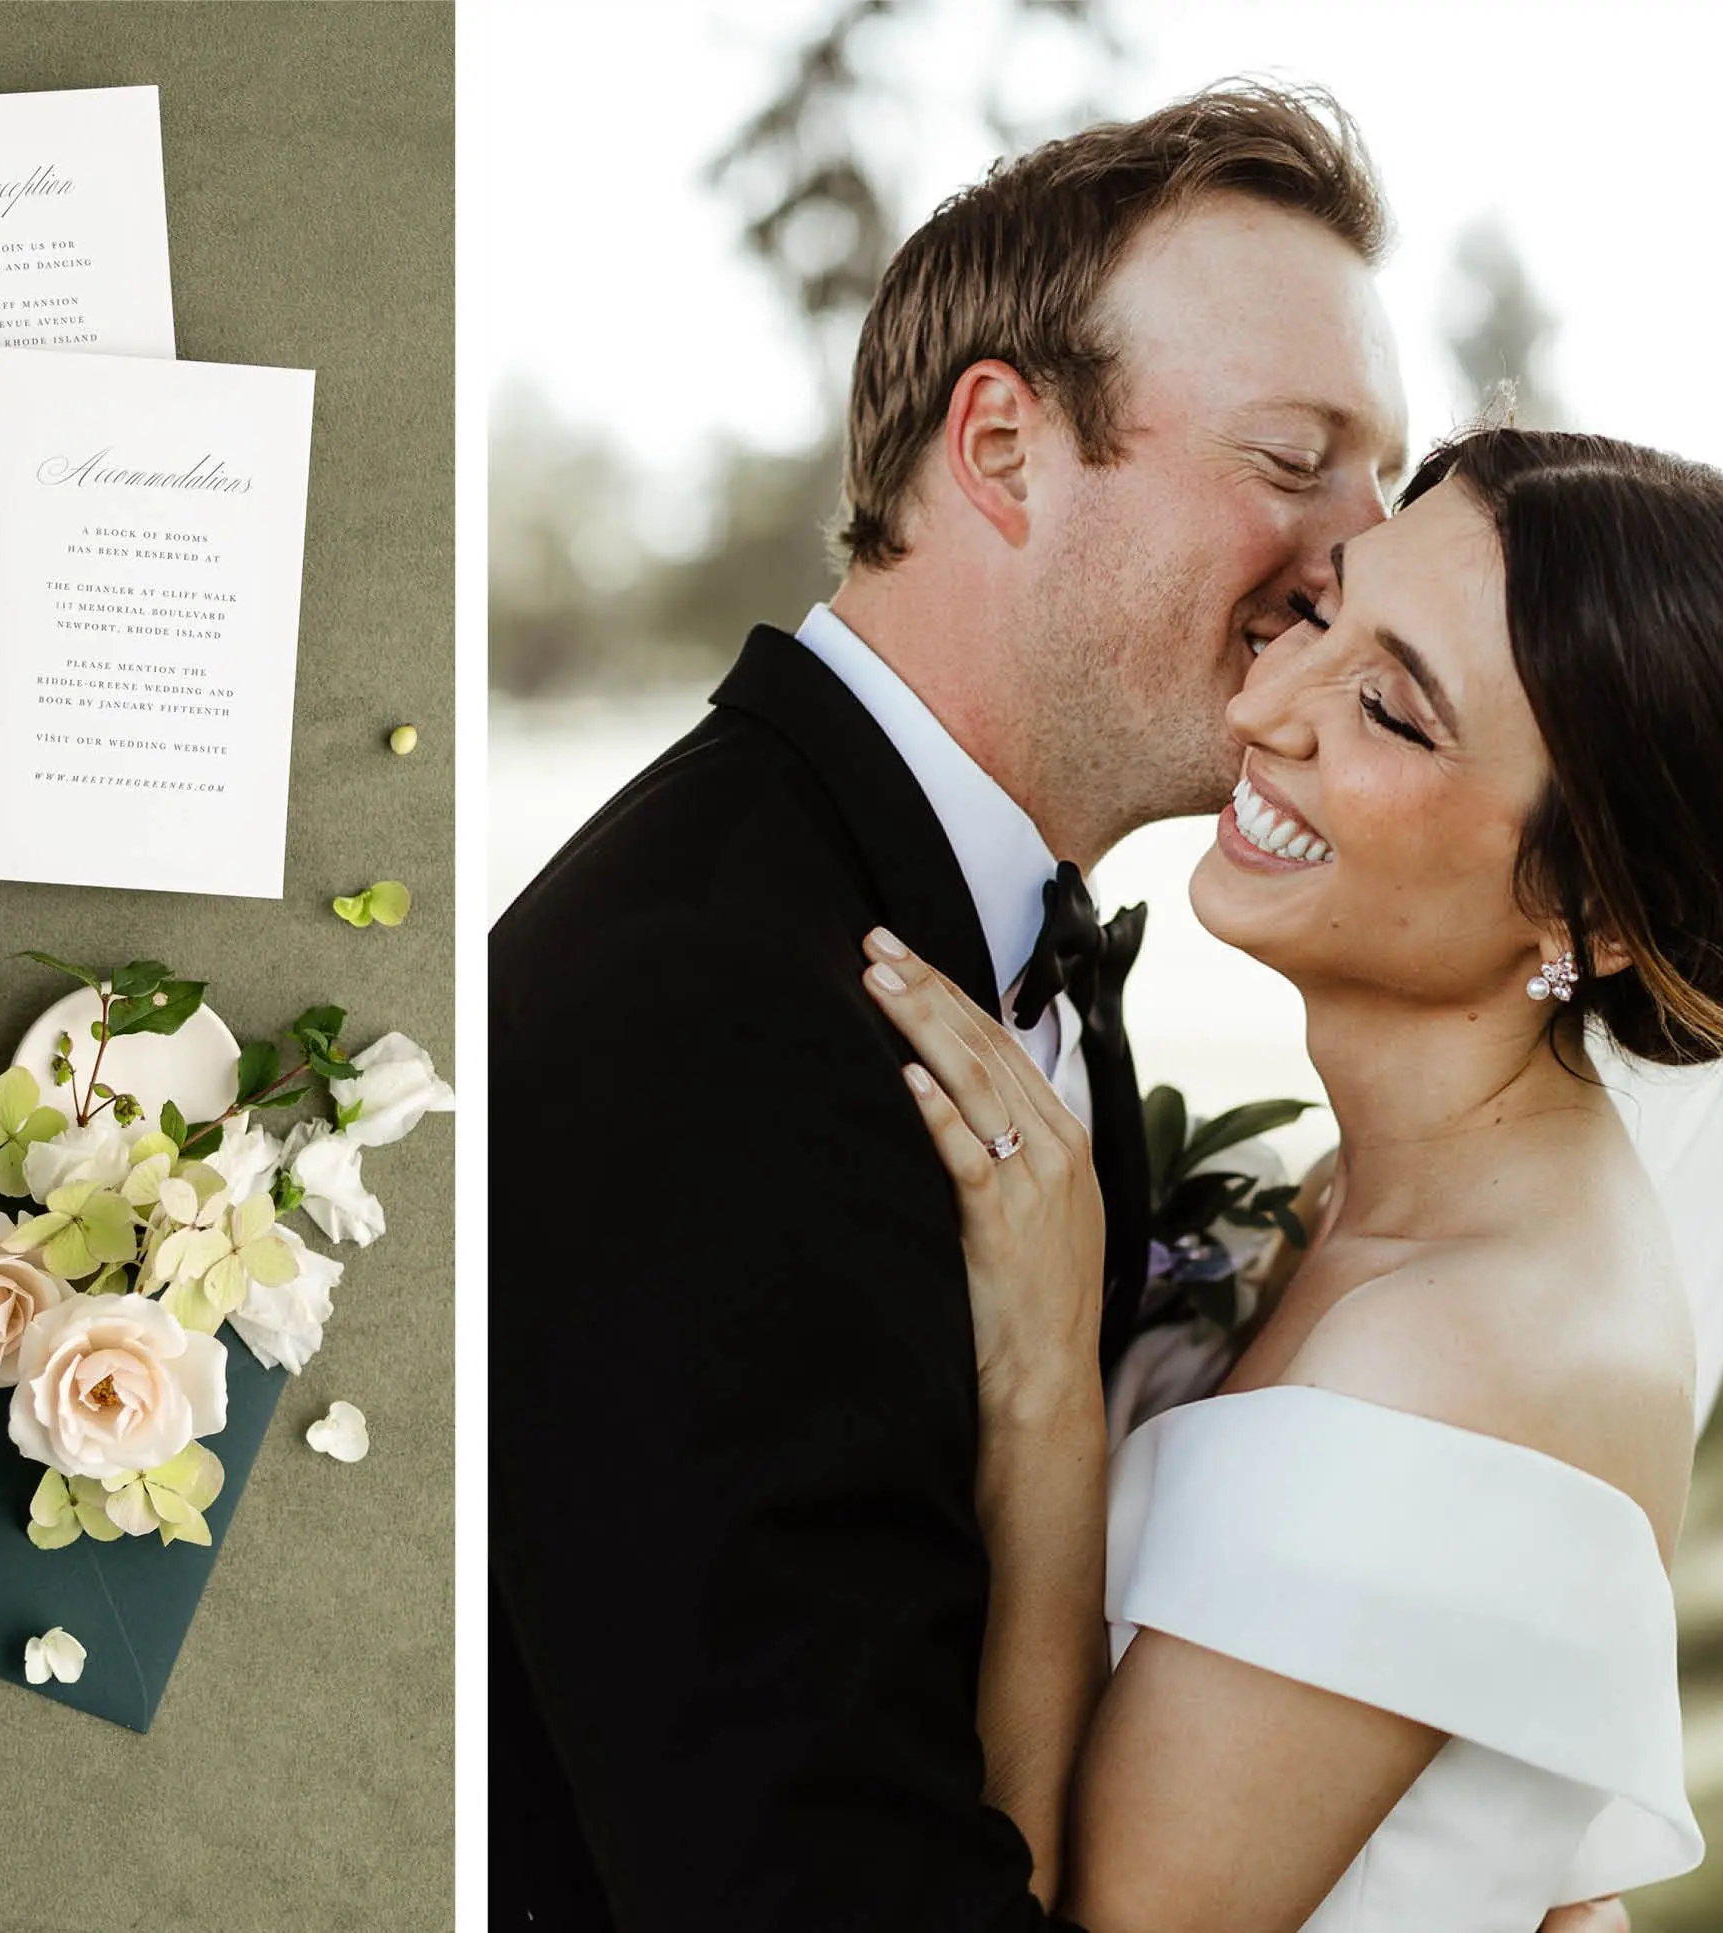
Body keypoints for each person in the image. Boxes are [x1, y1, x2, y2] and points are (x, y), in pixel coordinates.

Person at [493, 83, 1409, 1928]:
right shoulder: (700, 1019)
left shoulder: (974, 915)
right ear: (1001, 443)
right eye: (1296, 458)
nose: (1359, 560)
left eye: (1383, 484)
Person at [867, 423, 1723, 1928]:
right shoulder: (1383, 1193)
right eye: (1320, 615)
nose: (1266, 701)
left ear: (1596, 909)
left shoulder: (1461, 1353)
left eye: (1390, 713)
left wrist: (1039, 1385)